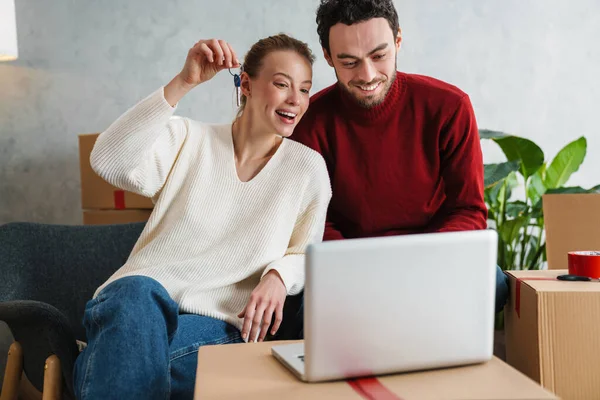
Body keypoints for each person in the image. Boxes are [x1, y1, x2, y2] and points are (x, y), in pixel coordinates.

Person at [72, 34, 331, 400]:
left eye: (304, 90)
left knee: (115, 361)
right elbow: (108, 160)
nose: (296, 100)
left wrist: (278, 275)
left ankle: (99, 357)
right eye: (281, 84)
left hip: (216, 323)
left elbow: (306, 252)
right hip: (136, 302)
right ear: (247, 84)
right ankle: (111, 350)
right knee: (136, 289)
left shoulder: (307, 169)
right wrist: (184, 83)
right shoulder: (188, 139)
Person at [291, 0, 509, 334]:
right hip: (349, 268)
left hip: (432, 264)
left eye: (379, 56)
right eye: (349, 62)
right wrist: (365, 271)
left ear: (398, 41)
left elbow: (468, 210)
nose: (367, 76)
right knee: (301, 305)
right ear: (328, 56)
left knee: (493, 282)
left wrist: (416, 266)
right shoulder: (311, 123)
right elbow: (315, 221)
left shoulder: (449, 107)